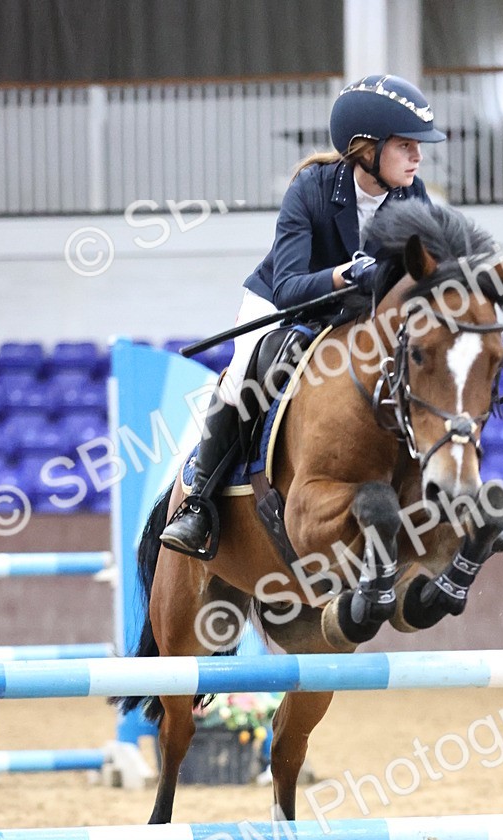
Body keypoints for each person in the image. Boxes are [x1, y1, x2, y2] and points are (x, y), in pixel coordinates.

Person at [160, 74, 446, 556]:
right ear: (365, 148)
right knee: (244, 378)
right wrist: (348, 274)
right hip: (280, 304)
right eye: (405, 145)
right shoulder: (310, 189)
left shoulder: (412, 198)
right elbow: (291, 286)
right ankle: (199, 505)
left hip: (356, 314)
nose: (418, 156)